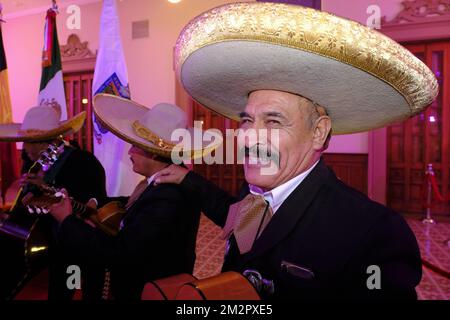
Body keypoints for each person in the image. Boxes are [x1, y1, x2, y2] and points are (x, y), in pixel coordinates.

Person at [154, 2, 439, 299]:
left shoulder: (373, 233)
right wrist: (186, 179)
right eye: (247, 120)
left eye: (273, 121)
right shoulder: (254, 195)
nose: (249, 139)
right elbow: (230, 213)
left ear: (318, 133)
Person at [47, 94, 222, 300]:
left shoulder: (168, 196)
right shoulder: (167, 180)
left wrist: (67, 221)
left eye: (136, 146)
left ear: (154, 153)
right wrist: (94, 204)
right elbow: (136, 203)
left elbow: (121, 253)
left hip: (148, 291)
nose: (130, 151)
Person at [0, 104, 107, 300]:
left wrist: (49, 188)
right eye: (24, 141)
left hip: (71, 252)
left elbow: (92, 207)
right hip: (37, 250)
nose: (25, 148)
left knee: (69, 293)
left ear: (52, 141)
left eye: (32, 142)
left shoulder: (84, 163)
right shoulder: (32, 161)